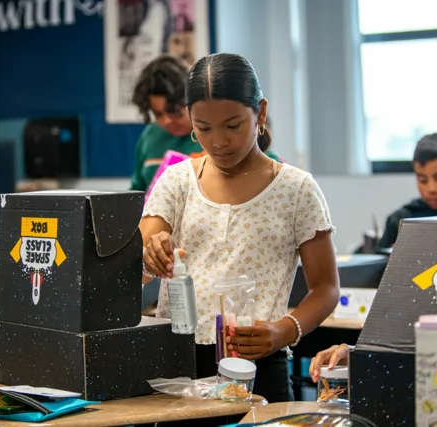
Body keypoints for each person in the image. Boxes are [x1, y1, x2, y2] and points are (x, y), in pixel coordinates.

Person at [140, 53, 340, 406]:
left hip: (260, 365)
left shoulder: (296, 190)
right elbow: (134, 264)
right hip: (176, 365)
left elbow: (325, 288)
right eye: (203, 128)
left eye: (233, 125)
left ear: (260, 112)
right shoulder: (177, 181)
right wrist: (150, 255)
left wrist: (283, 331)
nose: (218, 141)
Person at [129, 54, 280, 192]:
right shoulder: (150, 137)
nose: (167, 120)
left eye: (175, 111)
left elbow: (268, 171)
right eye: (158, 114)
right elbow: (136, 193)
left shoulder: (238, 140)